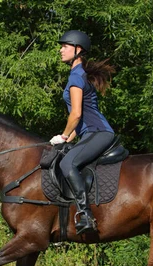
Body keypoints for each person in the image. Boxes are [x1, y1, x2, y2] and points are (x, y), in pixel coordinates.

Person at [50, 30, 116, 235]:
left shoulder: (77, 77)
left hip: (98, 132)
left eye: (65, 47)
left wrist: (62, 135)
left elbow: (76, 114)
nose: (61, 50)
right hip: (90, 133)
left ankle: (85, 214)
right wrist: (66, 139)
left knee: (67, 163)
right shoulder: (77, 75)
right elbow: (78, 123)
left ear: (78, 50)